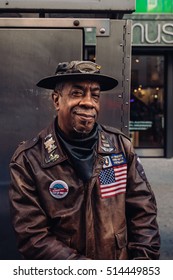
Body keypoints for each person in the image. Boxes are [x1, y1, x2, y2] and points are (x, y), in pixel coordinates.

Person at [9, 60, 160, 260]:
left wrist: (142, 264)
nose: (88, 102)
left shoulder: (120, 148)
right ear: (56, 100)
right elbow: (32, 237)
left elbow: (143, 213)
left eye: (95, 95)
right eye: (77, 93)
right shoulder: (29, 160)